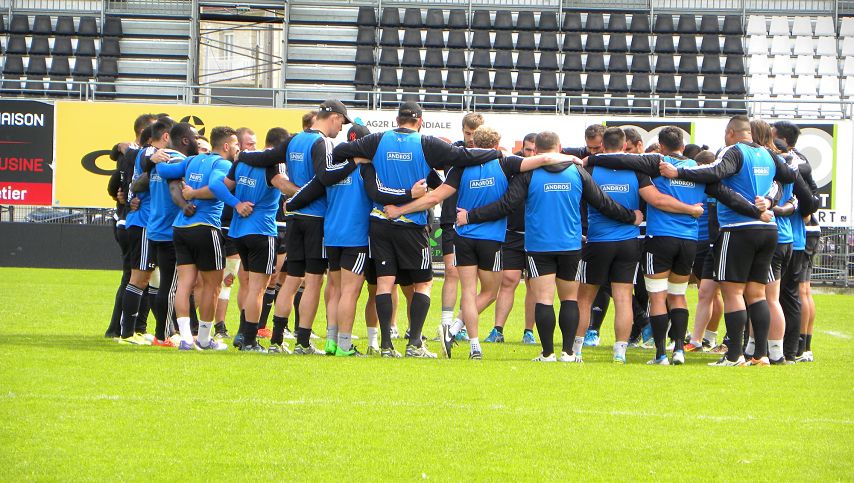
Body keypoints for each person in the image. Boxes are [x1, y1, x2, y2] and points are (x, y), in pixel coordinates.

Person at [385, 126, 577, 359]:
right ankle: (456, 328)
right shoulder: (505, 163)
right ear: (497, 146)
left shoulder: (461, 167)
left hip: (464, 237)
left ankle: (474, 345)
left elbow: (434, 197)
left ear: (473, 145)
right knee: (489, 293)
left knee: (468, 291)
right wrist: (571, 158)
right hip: (492, 239)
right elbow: (543, 159)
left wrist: (399, 210)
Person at [585, 126, 772, 365]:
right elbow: (725, 195)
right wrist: (756, 211)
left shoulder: (657, 164)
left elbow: (625, 159)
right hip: (689, 241)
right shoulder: (696, 169)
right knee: (678, 296)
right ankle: (679, 351)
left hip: (660, 239)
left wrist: (591, 158)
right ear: (682, 146)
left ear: (661, 146)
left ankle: (661, 353)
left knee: (658, 298)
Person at [330, 102, 503, 358]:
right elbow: (463, 156)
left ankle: (386, 346)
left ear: (397, 119)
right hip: (412, 224)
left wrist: (360, 157)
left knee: (384, 284)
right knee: (423, 283)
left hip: (380, 221)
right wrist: (496, 154)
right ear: (419, 121)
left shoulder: (377, 140)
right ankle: (414, 345)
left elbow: (341, 150)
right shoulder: (427, 143)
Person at [457, 131, 641, 362]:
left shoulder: (529, 174)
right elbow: (603, 202)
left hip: (539, 245)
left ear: (536, 152)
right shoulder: (577, 172)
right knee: (569, 299)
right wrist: (630, 216)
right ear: (560, 146)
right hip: (570, 245)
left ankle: (547, 353)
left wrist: (471, 216)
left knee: (543, 298)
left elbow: (505, 205)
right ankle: (568, 353)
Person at [659, 115, 818, 366]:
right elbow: (788, 176)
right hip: (768, 229)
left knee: (733, 293)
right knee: (757, 294)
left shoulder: (734, 151)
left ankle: (734, 355)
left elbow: (715, 171)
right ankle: (761, 355)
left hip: (737, 228)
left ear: (731, 132)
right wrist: (771, 201)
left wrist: (678, 171)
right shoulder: (768, 154)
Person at [287, 124, 424, 356]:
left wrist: (290, 205)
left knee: (334, 288)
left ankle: (331, 341)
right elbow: (378, 194)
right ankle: (343, 345)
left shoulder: (333, 168)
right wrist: (410, 194)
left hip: (331, 235)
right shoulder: (366, 168)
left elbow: (310, 189)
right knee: (350, 292)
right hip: (355, 236)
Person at [575, 127, 706, 364]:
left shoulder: (590, 168)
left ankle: (576, 350)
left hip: (598, 241)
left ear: (602, 146)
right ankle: (620, 352)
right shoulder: (637, 171)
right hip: (630, 242)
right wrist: (692, 210)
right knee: (624, 296)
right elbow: (654, 199)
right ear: (625, 146)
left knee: (585, 298)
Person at [238, 100, 349, 355]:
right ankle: (302, 342)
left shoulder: (294, 139)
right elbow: (322, 179)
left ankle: (276, 340)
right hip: (316, 218)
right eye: (341, 122)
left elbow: (266, 157)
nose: (341, 129)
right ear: (333, 117)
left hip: (294, 219)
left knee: (290, 280)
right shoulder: (321, 143)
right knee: (313, 282)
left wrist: (243, 155)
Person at [154, 126, 246, 351]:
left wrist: (156, 159)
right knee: (212, 286)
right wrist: (236, 204)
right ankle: (204, 339)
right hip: (206, 228)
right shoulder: (223, 164)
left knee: (185, 284)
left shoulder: (193, 160)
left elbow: (164, 172)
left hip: (180, 228)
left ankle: (185, 338)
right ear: (226, 146)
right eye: (236, 145)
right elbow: (216, 186)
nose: (238, 148)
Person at [116, 118, 175, 345]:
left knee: (146, 278)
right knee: (138, 278)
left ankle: (138, 330)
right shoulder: (151, 150)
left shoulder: (157, 155)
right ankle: (127, 334)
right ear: (166, 136)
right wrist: (152, 158)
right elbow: (143, 156)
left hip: (146, 223)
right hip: (142, 224)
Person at [145, 122, 200, 347]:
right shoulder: (176, 159)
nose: (198, 140)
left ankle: (169, 331)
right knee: (171, 285)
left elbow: (139, 184)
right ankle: (163, 334)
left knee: (166, 284)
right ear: (185, 140)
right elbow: (174, 188)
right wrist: (184, 204)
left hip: (155, 228)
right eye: (195, 136)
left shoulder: (159, 159)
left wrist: (130, 199)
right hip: (169, 231)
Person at [772, 121, 820, 362]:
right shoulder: (800, 161)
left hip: (793, 237)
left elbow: (811, 203)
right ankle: (799, 347)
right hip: (797, 237)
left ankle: (790, 348)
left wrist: (790, 208)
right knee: (795, 292)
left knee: (789, 293)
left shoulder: (793, 164)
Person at [105, 113, 156, 339]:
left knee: (136, 276)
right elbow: (118, 183)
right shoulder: (140, 155)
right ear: (145, 132)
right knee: (135, 277)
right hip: (132, 220)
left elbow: (114, 183)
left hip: (126, 219)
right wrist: (125, 197)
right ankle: (122, 329)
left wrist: (122, 195)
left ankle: (130, 328)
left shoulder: (128, 154)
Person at [487, 132, 538, 345]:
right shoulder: (511, 168)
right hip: (513, 235)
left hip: (537, 237)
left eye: (536, 150)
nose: (532, 154)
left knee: (535, 285)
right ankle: (497, 329)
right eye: (528, 150)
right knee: (508, 280)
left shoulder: (550, 169)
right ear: (522, 150)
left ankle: (529, 332)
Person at [439, 112, 486, 340]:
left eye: (475, 134)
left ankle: (462, 325)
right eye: (468, 133)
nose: (471, 138)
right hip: (450, 220)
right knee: (451, 272)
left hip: (476, 222)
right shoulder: (453, 153)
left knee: (473, 279)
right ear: (462, 131)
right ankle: (445, 324)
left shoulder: (489, 156)